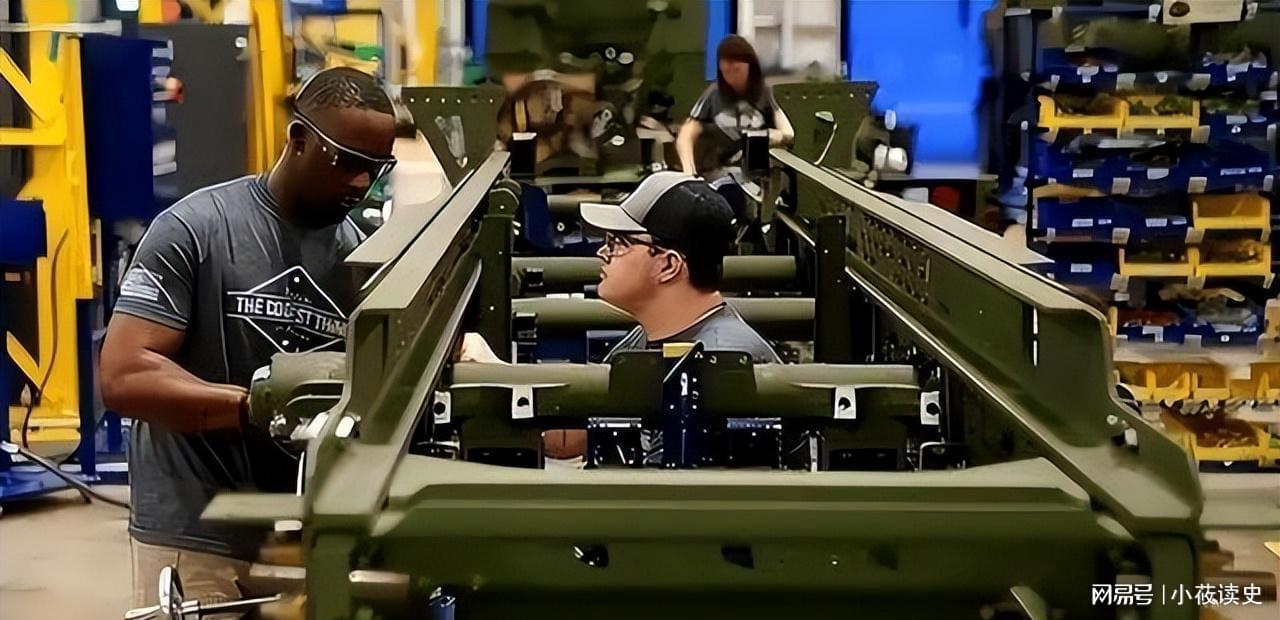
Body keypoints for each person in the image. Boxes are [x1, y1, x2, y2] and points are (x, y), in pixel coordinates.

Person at [99, 66, 396, 610]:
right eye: (346, 162)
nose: (361, 183)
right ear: (298, 139)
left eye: (376, 168)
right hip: (196, 532)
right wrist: (259, 407)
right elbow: (125, 375)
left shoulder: (364, 258)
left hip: (299, 537)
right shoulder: (196, 229)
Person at [582, 171, 781, 364]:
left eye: (617, 243)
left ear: (668, 265)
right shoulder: (653, 332)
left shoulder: (726, 359)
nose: (602, 253)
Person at [676, 35, 794, 182]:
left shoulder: (763, 93)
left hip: (757, 176)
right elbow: (686, 134)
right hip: (719, 173)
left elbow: (789, 133)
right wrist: (689, 171)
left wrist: (772, 136)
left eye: (737, 70)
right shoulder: (714, 94)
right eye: (726, 71)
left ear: (749, 66)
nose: (731, 76)